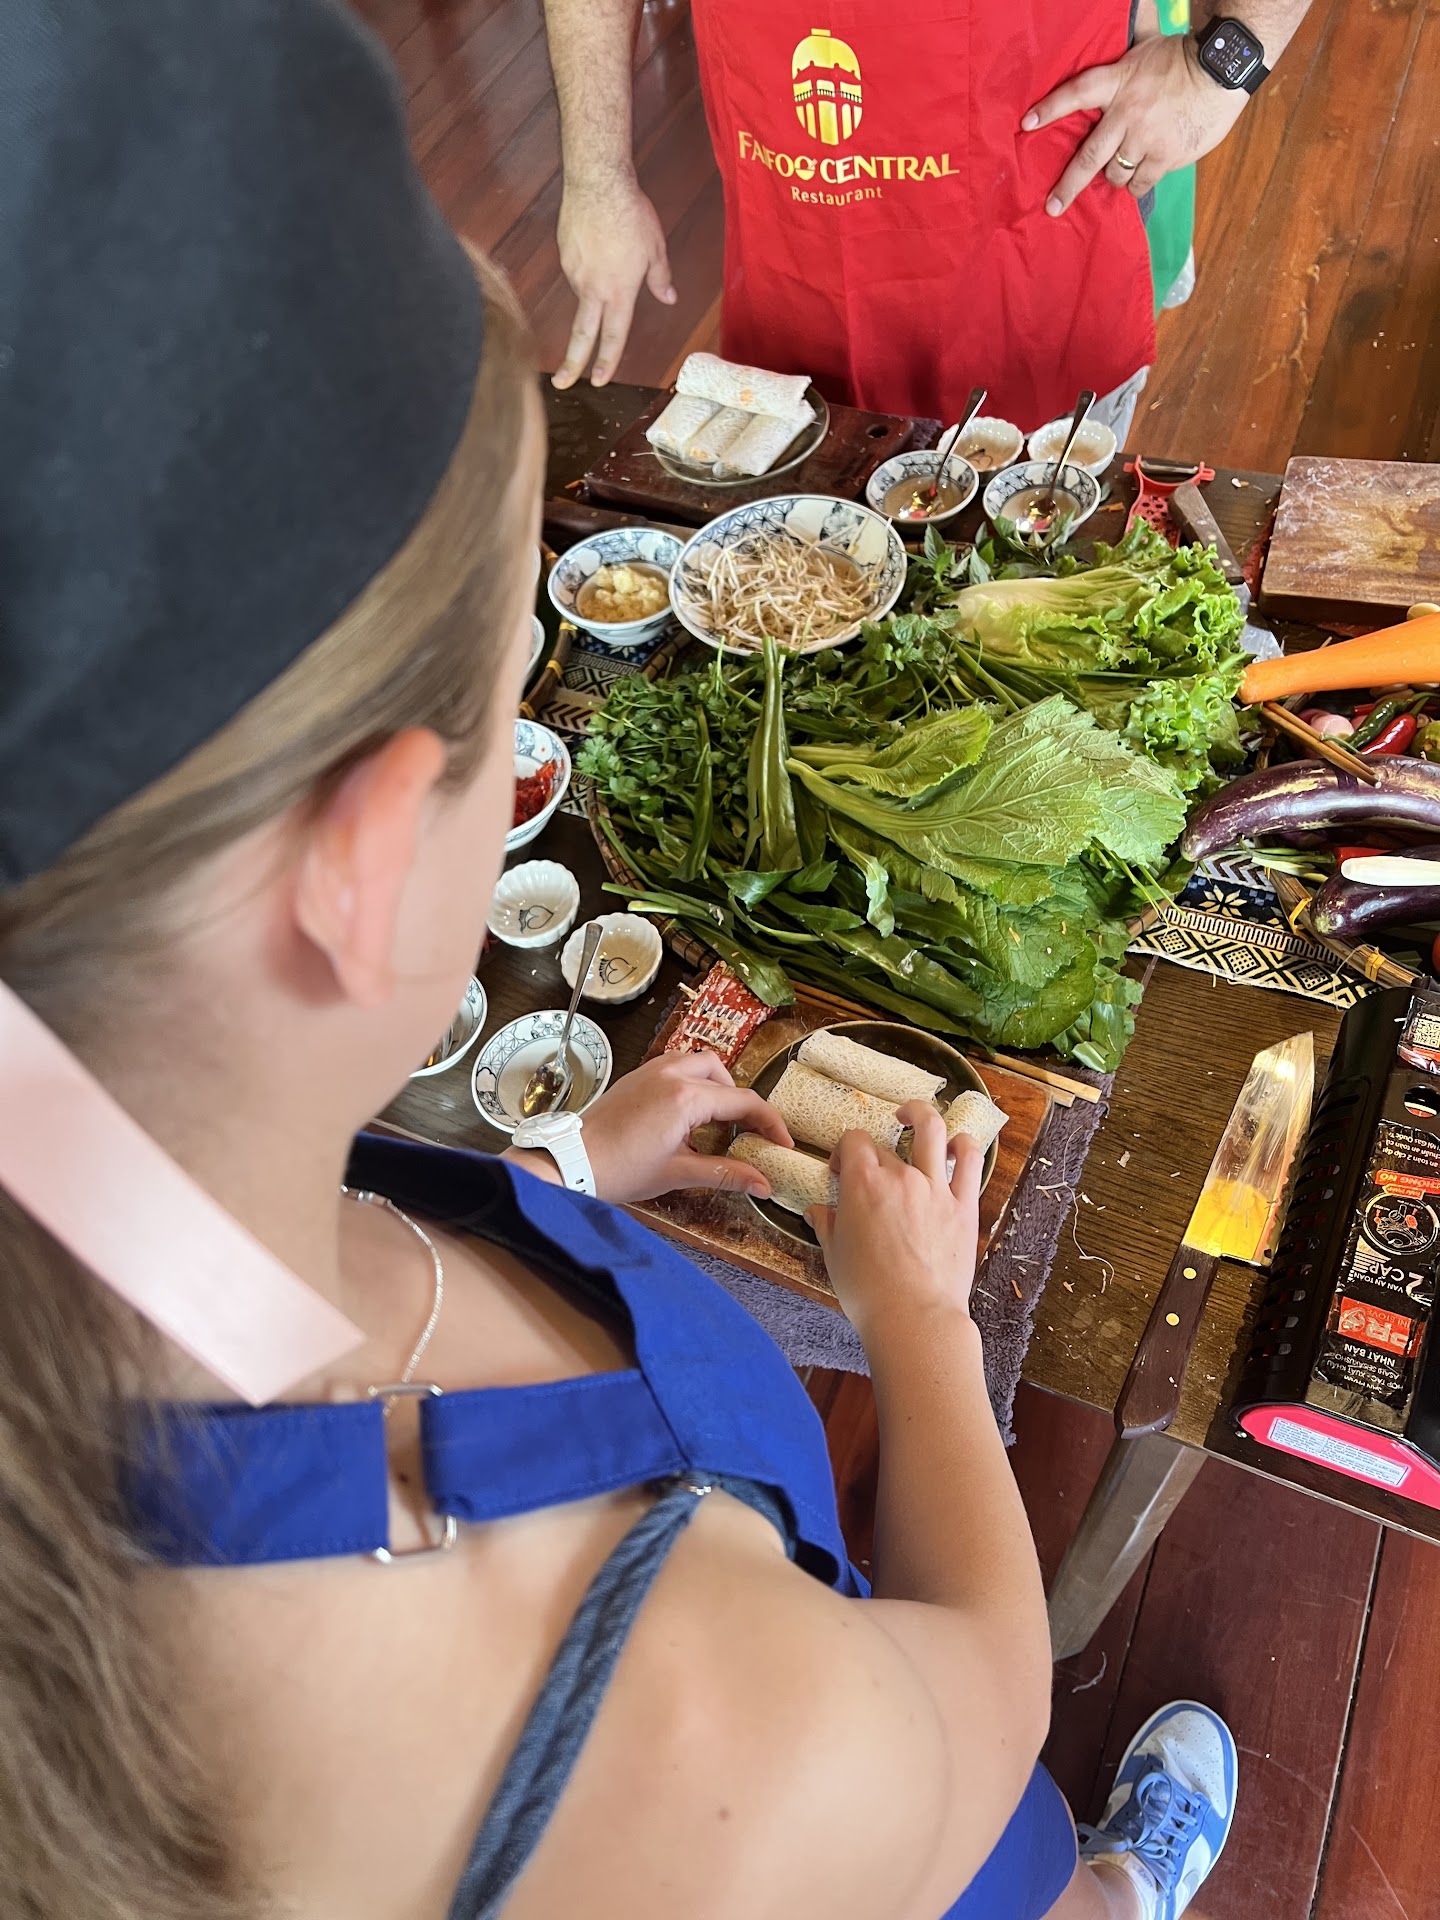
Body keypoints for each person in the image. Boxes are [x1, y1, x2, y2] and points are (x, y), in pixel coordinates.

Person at [0, 4, 1237, 1918]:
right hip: (873, 1830)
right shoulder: (699, 1719)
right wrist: (920, 1319)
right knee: (1012, 1870)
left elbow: (250, 1280)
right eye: (511, 681)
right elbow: (980, 1706)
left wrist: (558, 1172)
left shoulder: (83, 1148)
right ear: (360, 862)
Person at [543, 0, 1314, 437]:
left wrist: (1222, 67)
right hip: (800, 233)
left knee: (1039, 592)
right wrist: (597, 176)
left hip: (1038, 230)